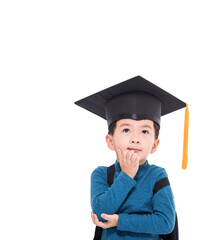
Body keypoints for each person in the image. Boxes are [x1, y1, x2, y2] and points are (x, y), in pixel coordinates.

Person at [74, 76, 189, 239]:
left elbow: (165, 222)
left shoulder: (157, 176)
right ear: (110, 141)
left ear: (155, 145)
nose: (135, 138)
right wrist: (126, 175)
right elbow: (101, 213)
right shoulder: (101, 174)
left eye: (144, 131)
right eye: (126, 130)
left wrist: (120, 221)